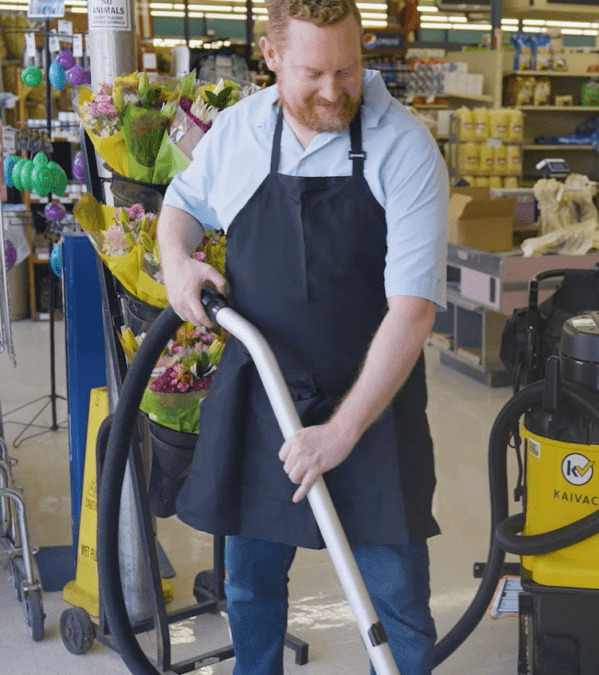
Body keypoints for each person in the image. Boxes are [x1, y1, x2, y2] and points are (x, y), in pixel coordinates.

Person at [157, 0, 449, 672]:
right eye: (313, 72)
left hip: (370, 402)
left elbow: (411, 311)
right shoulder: (235, 134)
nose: (332, 90)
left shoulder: (403, 147)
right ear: (272, 55)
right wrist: (178, 261)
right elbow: (181, 204)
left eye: (347, 70)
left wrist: (340, 433)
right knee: (249, 583)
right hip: (263, 400)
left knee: (397, 593)